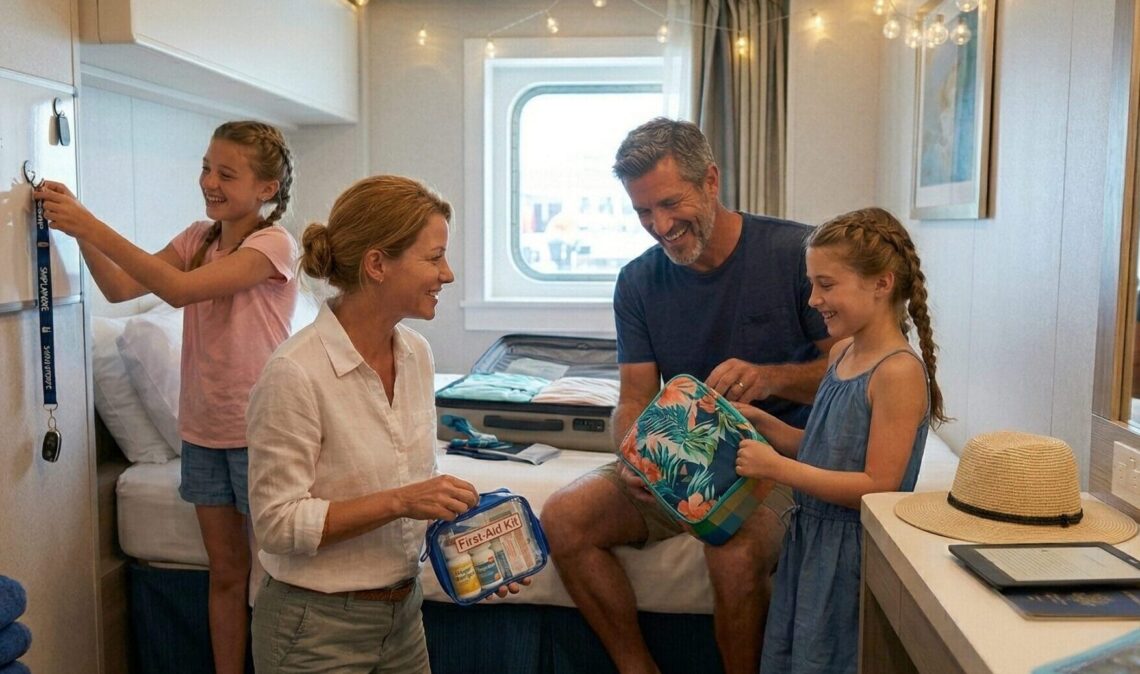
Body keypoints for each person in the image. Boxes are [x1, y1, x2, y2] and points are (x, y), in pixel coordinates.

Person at [541, 117, 835, 674]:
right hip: (674, 462)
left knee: (733, 550)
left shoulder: (796, 252)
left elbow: (848, 374)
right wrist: (633, 452)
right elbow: (633, 396)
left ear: (712, 181)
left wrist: (773, 379)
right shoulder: (637, 281)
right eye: (643, 212)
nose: (660, 225)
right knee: (563, 516)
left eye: (671, 204)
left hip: (770, 462)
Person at [35, 120, 297, 674]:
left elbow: (176, 291)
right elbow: (119, 288)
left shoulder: (273, 245)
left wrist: (92, 223)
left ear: (266, 189)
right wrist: (77, 231)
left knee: (274, 573)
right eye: (206, 167)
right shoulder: (197, 238)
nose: (210, 181)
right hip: (202, 433)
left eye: (227, 173)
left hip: (261, 435)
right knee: (226, 573)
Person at [245, 175, 526, 673]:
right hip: (315, 629)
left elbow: (410, 487)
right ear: (377, 264)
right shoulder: (295, 372)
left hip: (402, 616)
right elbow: (277, 524)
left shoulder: (416, 355)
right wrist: (403, 501)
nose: (449, 274)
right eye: (434, 257)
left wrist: (475, 546)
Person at [733, 206, 948, 674]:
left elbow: (877, 485)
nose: (813, 299)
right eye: (812, 283)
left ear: (882, 283)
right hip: (810, 542)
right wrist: (760, 423)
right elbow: (823, 447)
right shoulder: (843, 353)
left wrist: (775, 469)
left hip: (852, 555)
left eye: (826, 284)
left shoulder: (898, 372)